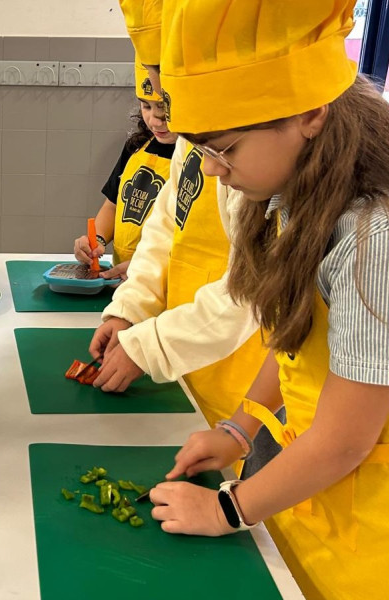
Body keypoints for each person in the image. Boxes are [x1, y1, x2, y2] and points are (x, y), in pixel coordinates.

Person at [149, 3, 389, 599]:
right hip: (307, 503)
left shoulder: (371, 242)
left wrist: (226, 511)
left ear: (309, 112)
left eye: (224, 149)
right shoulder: (294, 199)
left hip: (367, 537)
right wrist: (238, 429)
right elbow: (296, 342)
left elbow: (344, 440)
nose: (216, 172)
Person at [88, 0, 268, 435]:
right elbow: (164, 229)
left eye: (165, 89)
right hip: (181, 355)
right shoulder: (195, 138)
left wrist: (150, 346)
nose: (164, 112)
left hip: (233, 374)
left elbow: (247, 293)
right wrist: (128, 311)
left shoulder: (261, 164)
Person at [74, 58, 177, 281]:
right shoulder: (136, 145)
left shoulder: (201, 158)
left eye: (164, 108)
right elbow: (112, 206)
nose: (155, 121)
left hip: (166, 281)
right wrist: (96, 241)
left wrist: (146, 267)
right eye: (146, 106)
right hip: (123, 280)